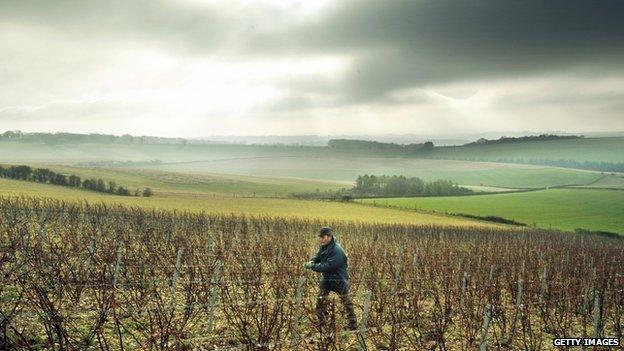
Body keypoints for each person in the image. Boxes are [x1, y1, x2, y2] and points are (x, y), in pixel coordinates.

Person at [303, 227, 358, 331]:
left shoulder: (337, 250)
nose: (321, 239)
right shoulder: (324, 247)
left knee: (346, 301)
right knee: (321, 298)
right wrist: (312, 261)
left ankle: (353, 324)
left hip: (339, 280)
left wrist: (312, 266)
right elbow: (318, 256)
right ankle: (322, 321)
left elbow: (328, 266)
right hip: (327, 279)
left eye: (322, 237)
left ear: (329, 237)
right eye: (320, 237)